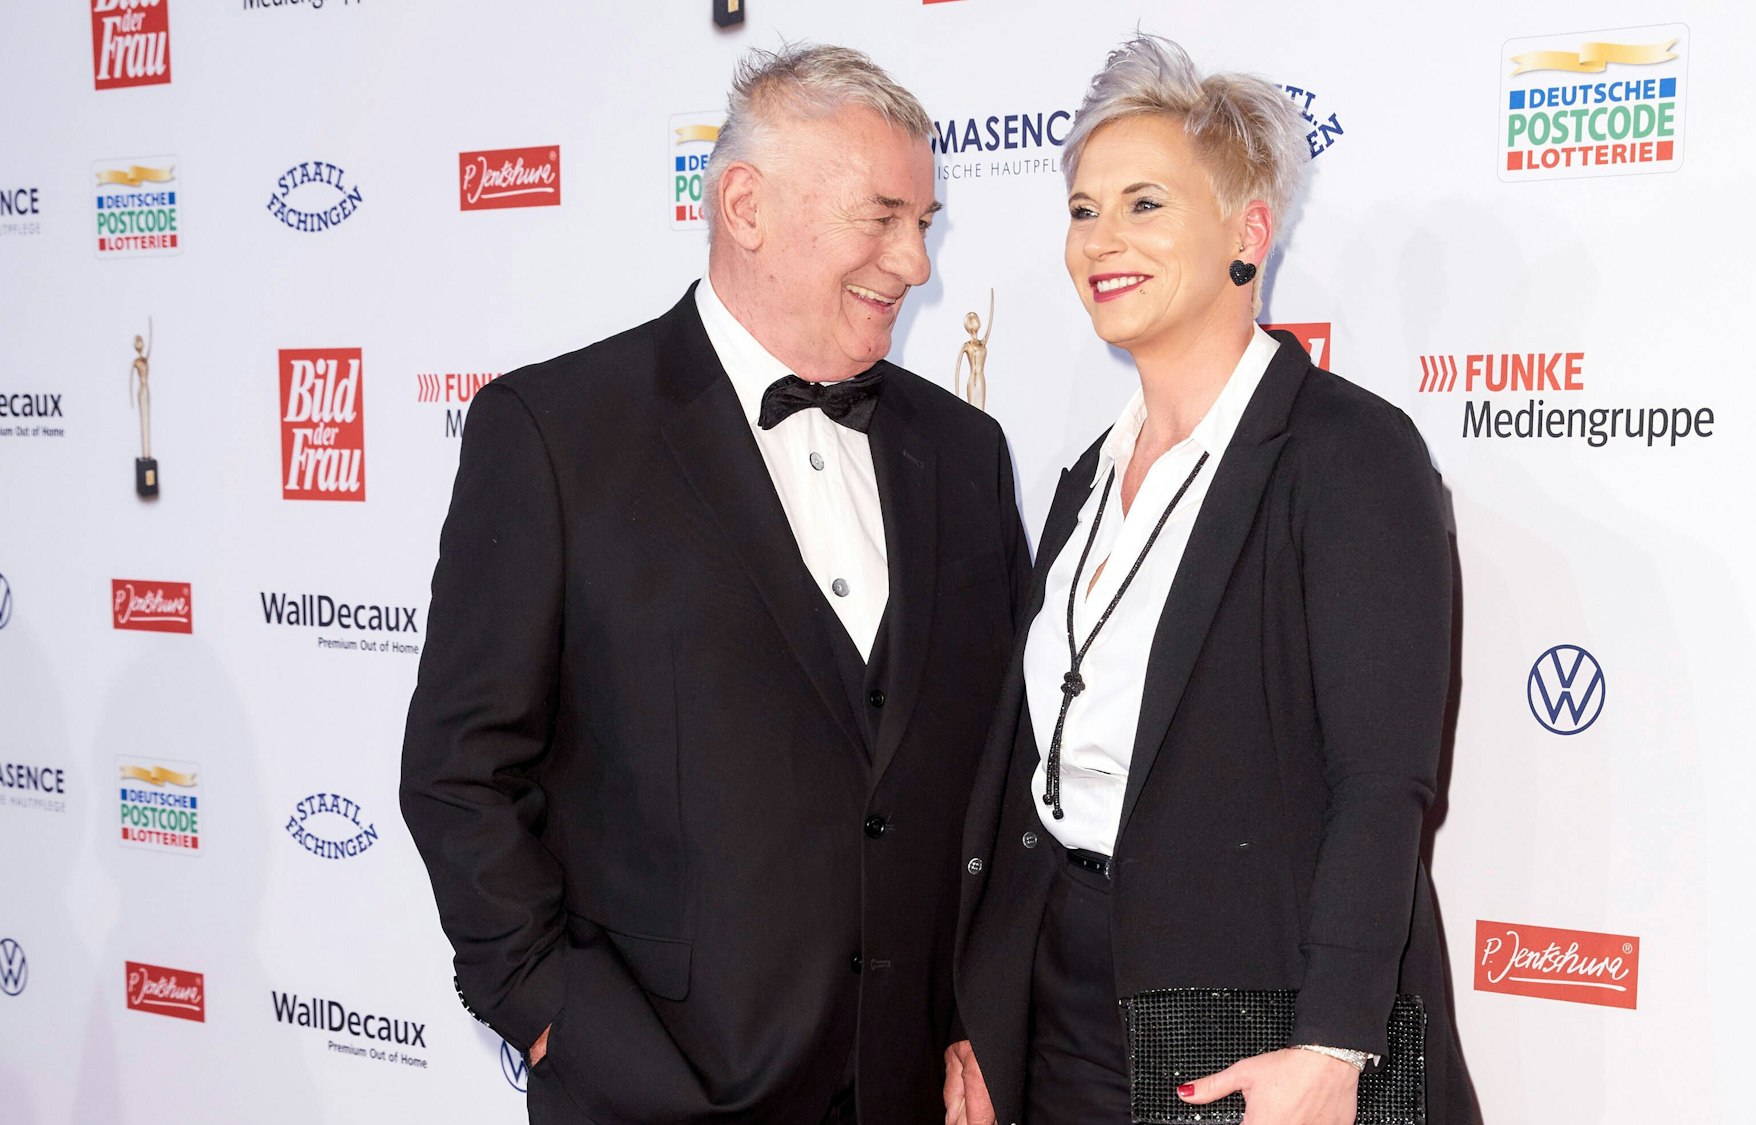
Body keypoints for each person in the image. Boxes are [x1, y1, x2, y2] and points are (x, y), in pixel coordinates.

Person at [402, 44, 1029, 1125]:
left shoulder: (963, 453)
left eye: (922, 224)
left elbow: (1003, 767)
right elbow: (459, 772)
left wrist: (982, 1011)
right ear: (745, 206)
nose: (914, 263)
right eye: (881, 218)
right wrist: (552, 1011)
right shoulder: (556, 435)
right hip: (650, 1084)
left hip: (909, 1090)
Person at [949, 34, 1479, 1125]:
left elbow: (1383, 784)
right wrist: (984, 1005)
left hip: (1253, 1016)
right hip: (1060, 1002)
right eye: (1083, 208)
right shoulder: (1087, 473)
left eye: (1144, 204)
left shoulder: (1346, 456)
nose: (1099, 240)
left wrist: (1333, 1045)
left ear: (1248, 233)